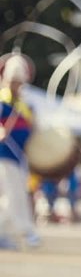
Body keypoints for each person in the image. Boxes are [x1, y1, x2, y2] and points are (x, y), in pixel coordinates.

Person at [0, 52, 39, 249]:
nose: (17, 85)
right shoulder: (2, 102)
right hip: (4, 155)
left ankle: (4, 233)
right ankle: (27, 231)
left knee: (12, 196)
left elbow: (32, 131)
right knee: (13, 195)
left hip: (19, 158)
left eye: (19, 82)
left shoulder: (24, 106)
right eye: (14, 81)